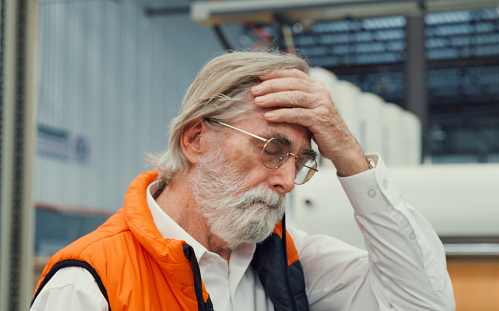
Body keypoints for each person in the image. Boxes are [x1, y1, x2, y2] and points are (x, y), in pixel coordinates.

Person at [31, 51, 455, 310]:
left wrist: (347, 152)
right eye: (272, 149)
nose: (287, 180)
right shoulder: (89, 284)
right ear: (197, 140)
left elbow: (423, 302)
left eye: (302, 160)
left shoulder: (288, 261)